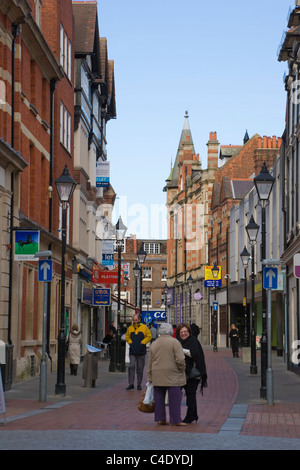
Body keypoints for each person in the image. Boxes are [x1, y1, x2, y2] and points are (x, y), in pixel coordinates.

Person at [147, 322, 187, 426]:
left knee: (159, 397)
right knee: (175, 397)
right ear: (170, 331)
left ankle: (160, 419)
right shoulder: (175, 342)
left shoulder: (154, 343)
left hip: (157, 373)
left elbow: (150, 362)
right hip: (172, 373)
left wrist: (149, 376)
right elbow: (180, 359)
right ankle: (176, 419)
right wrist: (182, 369)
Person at [177, 323, 207, 424]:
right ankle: (194, 415)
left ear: (189, 332)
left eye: (185, 332)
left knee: (190, 393)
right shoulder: (179, 341)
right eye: (181, 332)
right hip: (184, 373)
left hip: (194, 373)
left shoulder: (193, 341)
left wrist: (181, 350)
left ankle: (190, 416)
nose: (183, 334)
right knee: (190, 394)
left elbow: (194, 354)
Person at [125, 314, 152, 390]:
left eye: (136, 320)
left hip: (141, 351)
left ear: (139, 320)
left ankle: (139, 384)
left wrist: (143, 342)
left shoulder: (144, 328)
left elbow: (149, 336)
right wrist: (130, 342)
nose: (135, 321)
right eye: (134, 320)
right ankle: (131, 383)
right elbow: (127, 337)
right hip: (132, 351)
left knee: (140, 368)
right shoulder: (130, 328)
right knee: (131, 366)